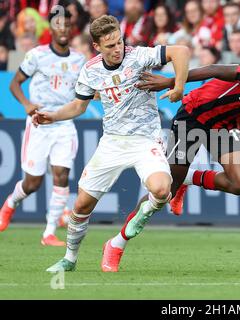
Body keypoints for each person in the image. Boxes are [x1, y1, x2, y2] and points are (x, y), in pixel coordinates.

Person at [102, 54, 240, 272]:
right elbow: (215, 70)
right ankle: (116, 243)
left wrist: (239, 126)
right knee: (164, 193)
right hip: (194, 116)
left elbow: (239, 101)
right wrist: (172, 82)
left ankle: (191, 177)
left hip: (223, 126)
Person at [32, 14, 190, 272]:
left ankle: (134, 224)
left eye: (119, 42)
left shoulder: (138, 56)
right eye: (110, 46)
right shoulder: (90, 70)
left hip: (144, 139)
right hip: (112, 143)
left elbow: (181, 51)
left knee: (162, 190)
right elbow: (78, 106)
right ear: (97, 46)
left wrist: (179, 87)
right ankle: (69, 259)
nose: (118, 49)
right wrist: (53, 115)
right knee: (82, 205)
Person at [0, 9, 85, 246]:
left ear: (71, 29)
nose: (63, 29)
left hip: (64, 123)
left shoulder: (79, 59)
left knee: (62, 175)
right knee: (32, 183)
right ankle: (10, 204)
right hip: (39, 123)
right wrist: (26, 104)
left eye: (67, 25)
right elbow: (15, 83)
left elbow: (86, 91)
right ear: (51, 28)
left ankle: (48, 232)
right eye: (58, 24)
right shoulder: (37, 55)